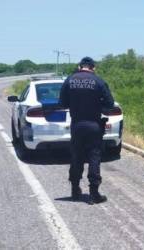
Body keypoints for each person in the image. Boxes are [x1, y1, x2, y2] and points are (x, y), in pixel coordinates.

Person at [59, 57, 114, 204]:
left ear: (79, 67)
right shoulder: (99, 81)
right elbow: (110, 104)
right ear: (93, 68)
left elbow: (62, 103)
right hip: (94, 125)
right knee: (94, 157)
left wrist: (75, 104)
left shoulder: (70, 80)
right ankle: (94, 193)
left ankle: (75, 189)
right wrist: (98, 106)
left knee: (76, 156)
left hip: (77, 125)